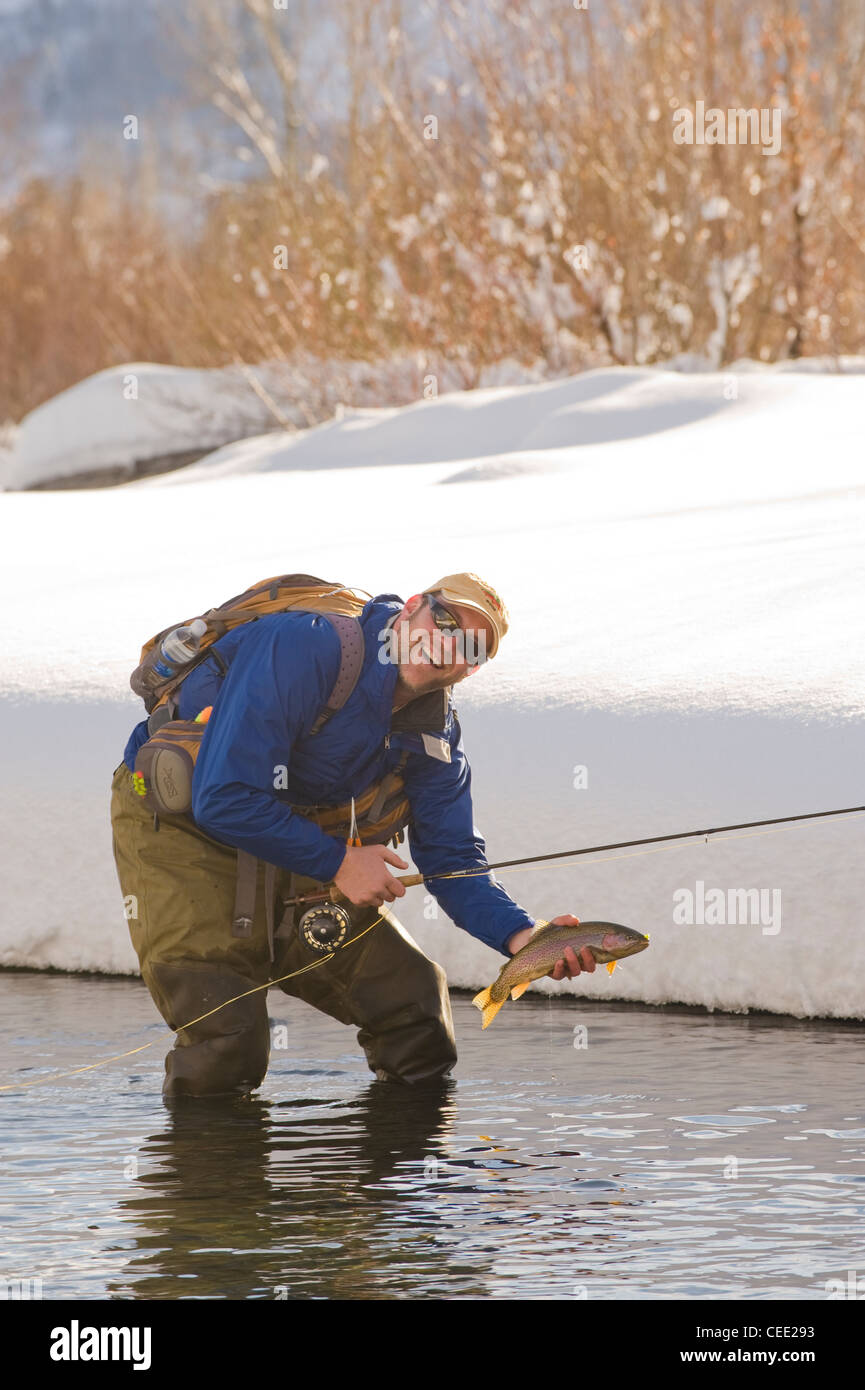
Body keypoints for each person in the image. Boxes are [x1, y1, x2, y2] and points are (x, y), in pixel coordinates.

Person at [110, 573, 597, 1099]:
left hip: (302, 842)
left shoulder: (436, 739)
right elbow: (223, 797)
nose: (449, 644)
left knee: (416, 1012)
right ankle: (213, 1180)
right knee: (229, 1042)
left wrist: (524, 938)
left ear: (473, 668)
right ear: (413, 607)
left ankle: (395, 1177)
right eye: (446, 620)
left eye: (472, 645)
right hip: (185, 829)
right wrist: (340, 863)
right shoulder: (307, 644)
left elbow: (452, 860)